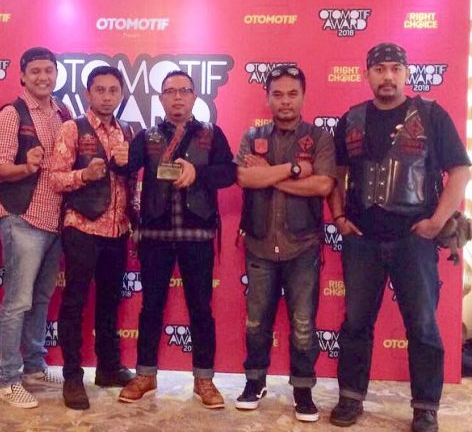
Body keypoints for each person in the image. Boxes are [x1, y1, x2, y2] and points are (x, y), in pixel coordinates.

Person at [327, 43, 470, 432]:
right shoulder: (351, 119)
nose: (387, 76)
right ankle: (350, 398)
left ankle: (425, 408)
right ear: (367, 74)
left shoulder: (431, 115)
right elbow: (334, 173)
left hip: (414, 240)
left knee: (422, 326)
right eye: (379, 69)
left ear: (406, 73)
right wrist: (338, 216)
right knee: (356, 323)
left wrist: (437, 222)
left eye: (395, 68)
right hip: (362, 240)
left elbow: (460, 170)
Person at [114, 70, 236, 409]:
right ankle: (145, 375)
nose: (177, 97)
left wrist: (198, 173)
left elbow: (229, 172)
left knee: (201, 308)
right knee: (151, 307)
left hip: (197, 234)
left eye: (184, 90)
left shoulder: (211, 133)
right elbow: (126, 166)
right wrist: (117, 159)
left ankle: (204, 379)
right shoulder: (147, 136)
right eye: (170, 91)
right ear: (161, 98)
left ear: (195, 96)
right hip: (155, 234)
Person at [234, 65, 336, 422]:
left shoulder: (319, 138)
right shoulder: (253, 136)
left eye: (292, 94)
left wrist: (267, 175)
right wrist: (292, 170)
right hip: (260, 245)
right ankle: (254, 382)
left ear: (303, 96)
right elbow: (244, 177)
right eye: (278, 94)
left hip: (302, 245)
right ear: (268, 98)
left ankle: (303, 390)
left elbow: (323, 185)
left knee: (304, 323)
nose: (285, 101)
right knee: (256, 322)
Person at [50, 65, 136, 410]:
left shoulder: (128, 131)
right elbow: (55, 179)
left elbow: (131, 181)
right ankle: (72, 377)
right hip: (82, 226)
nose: (107, 97)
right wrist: (84, 175)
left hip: (118, 229)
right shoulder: (72, 128)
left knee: (110, 302)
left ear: (121, 94)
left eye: (113, 90)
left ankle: (108, 368)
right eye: (100, 90)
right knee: (74, 302)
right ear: (88, 93)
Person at [0, 47, 71, 408]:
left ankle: (34, 367)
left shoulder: (62, 112)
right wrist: (27, 166)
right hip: (22, 217)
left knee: (40, 299)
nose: (43, 77)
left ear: (56, 74)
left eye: (48, 70)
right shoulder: (11, 114)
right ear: (22, 76)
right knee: (18, 301)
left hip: (55, 221)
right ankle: (9, 379)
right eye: (35, 71)